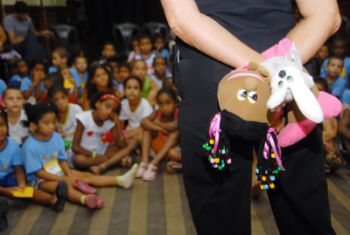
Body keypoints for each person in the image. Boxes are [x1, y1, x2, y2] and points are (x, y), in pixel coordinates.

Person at [161, 0, 341, 234]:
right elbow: (326, 14)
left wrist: (266, 69)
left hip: (214, 78)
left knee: (221, 219)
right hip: (289, 76)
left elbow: (182, 19)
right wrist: (278, 68)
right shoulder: (282, 70)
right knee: (306, 215)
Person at [22, 103, 138, 209]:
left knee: (86, 176)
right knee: (64, 186)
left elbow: (62, 160)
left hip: (59, 172)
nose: (52, 126)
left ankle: (120, 180)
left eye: (53, 122)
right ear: (33, 126)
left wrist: (69, 174)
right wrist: (63, 178)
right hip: (41, 181)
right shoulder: (30, 146)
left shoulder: (56, 137)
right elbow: (39, 173)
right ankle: (85, 199)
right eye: (46, 123)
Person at [0, 109, 68, 214]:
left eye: (1, 125)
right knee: (8, 193)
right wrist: (4, 191)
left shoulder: (12, 144)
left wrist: (21, 184)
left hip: (9, 177)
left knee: (27, 190)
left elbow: (18, 169)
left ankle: (52, 200)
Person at [72, 90, 131, 170]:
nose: (109, 112)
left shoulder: (110, 121)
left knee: (118, 147)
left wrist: (117, 123)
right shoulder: (83, 118)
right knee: (78, 160)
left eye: (113, 110)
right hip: (86, 153)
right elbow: (75, 147)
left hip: (102, 151)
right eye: (107, 106)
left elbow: (120, 144)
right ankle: (111, 162)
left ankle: (101, 164)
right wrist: (94, 155)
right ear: (97, 104)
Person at [136, 87, 179, 181]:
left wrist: (158, 123)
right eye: (161, 104)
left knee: (175, 133)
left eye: (168, 103)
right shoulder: (157, 113)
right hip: (159, 149)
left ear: (175, 103)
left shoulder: (178, 113)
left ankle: (153, 165)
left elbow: (174, 126)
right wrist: (158, 128)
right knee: (147, 129)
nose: (165, 108)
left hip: (171, 151)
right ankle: (144, 163)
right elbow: (143, 122)